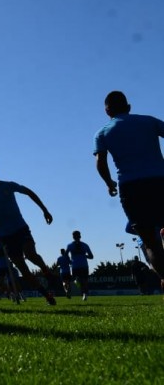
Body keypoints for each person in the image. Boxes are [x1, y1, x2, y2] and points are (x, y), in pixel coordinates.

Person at [94, 90, 164, 286]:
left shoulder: (103, 132)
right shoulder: (149, 121)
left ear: (107, 110)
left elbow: (101, 161)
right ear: (128, 106)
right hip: (159, 180)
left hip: (131, 187)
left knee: (148, 240)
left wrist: (109, 183)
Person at [0, 164, 58, 305]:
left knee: (30, 254)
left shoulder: (7, 186)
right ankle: (47, 296)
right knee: (23, 268)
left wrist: (44, 210)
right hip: (5, 236)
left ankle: (46, 271)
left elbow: (28, 192)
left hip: (20, 228)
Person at [66, 230, 94, 301]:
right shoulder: (73, 245)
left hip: (79, 266)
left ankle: (84, 294)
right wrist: (84, 256)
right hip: (79, 266)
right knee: (80, 281)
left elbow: (91, 256)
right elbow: (91, 256)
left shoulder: (73, 245)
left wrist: (84, 256)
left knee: (80, 281)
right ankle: (84, 293)